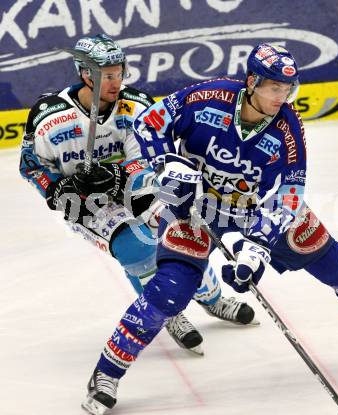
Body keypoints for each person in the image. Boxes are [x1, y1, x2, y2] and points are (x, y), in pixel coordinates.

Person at [80, 42, 338, 414]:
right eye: (275, 88)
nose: (283, 97)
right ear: (252, 82)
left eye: (288, 89)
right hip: (195, 209)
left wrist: (256, 248)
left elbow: (290, 196)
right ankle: (106, 375)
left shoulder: (288, 127)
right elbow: (148, 123)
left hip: (257, 212)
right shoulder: (207, 97)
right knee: (168, 294)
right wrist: (167, 165)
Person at [19, 31, 258, 387]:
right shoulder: (48, 116)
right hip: (86, 203)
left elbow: (146, 161)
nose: (117, 82)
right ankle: (169, 309)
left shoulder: (137, 105)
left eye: (120, 73)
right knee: (136, 248)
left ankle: (210, 297)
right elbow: (31, 167)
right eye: (108, 75)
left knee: (179, 236)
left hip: (133, 188)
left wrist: (114, 174)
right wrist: (56, 189)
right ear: (86, 74)